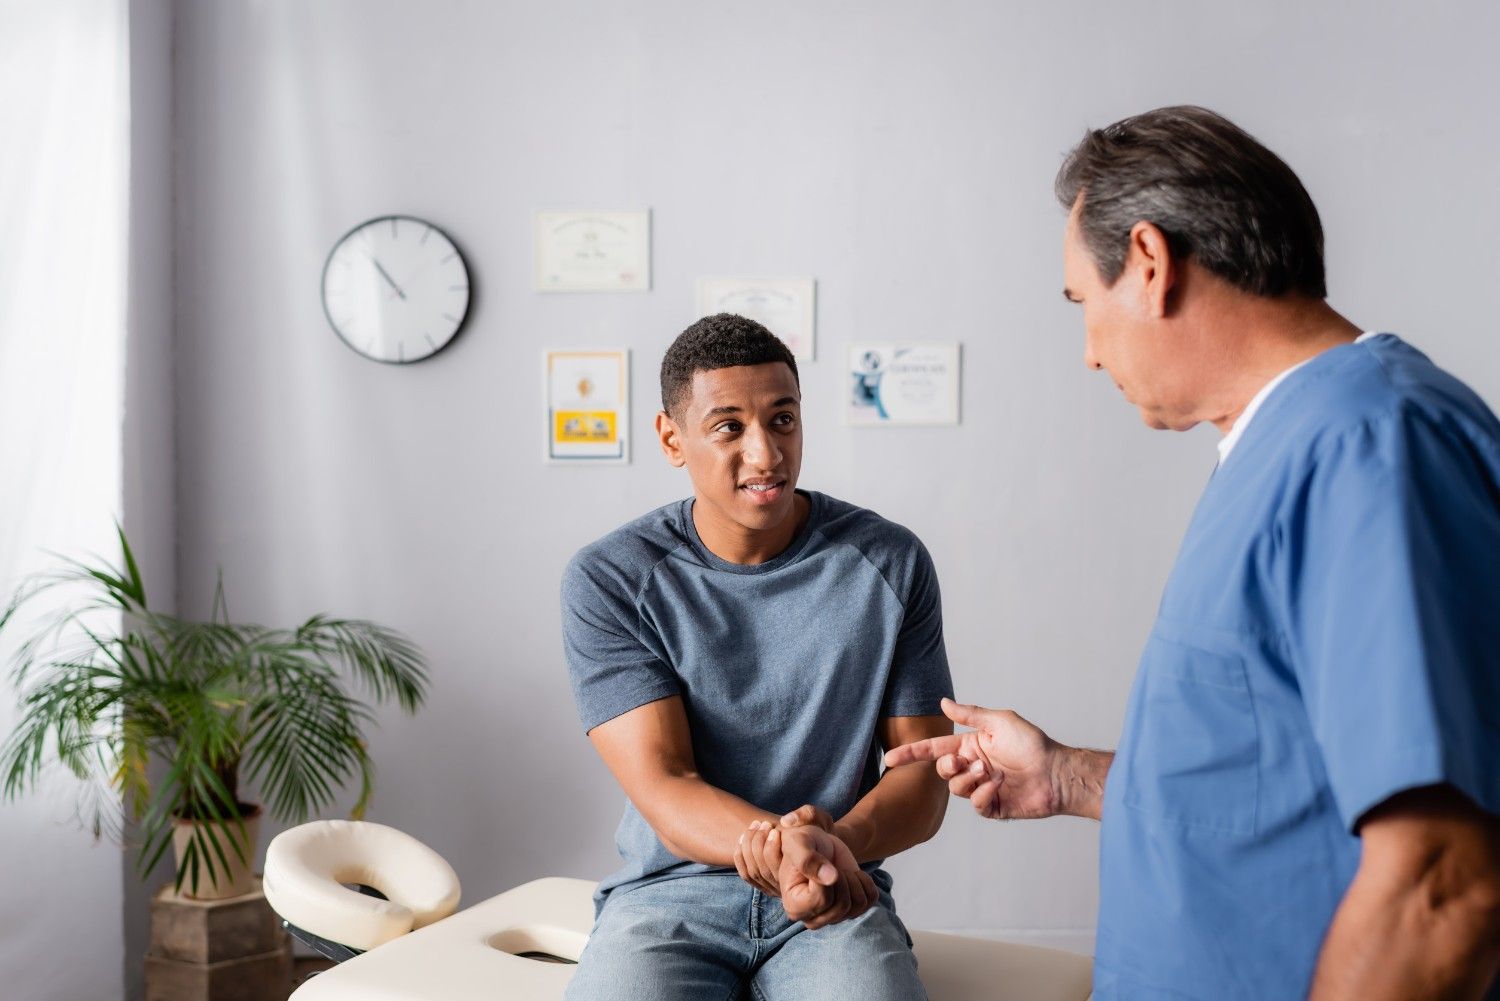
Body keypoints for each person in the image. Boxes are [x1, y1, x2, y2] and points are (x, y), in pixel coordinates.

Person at [883, 106, 1500, 1000]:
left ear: (1149, 261)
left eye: (1082, 306)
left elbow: (1442, 881)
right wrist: (1063, 774)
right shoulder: (1286, 443)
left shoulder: (1374, 444)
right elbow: (1283, 778)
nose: (1090, 354)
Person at [559, 313, 955, 999]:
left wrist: (832, 848)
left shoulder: (891, 561)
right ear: (671, 438)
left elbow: (923, 781)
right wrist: (790, 846)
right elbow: (666, 781)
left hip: (837, 890)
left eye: (783, 420)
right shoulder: (612, 577)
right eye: (729, 427)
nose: (767, 454)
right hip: (669, 899)